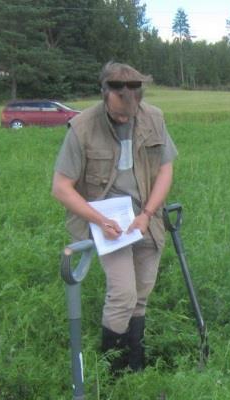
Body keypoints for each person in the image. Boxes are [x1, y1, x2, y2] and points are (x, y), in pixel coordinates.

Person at [52, 61, 177, 372]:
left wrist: (148, 213)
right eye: (119, 113)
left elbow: (165, 169)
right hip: (107, 224)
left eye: (130, 113)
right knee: (123, 294)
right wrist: (97, 219)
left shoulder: (153, 118)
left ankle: (136, 362)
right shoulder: (82, 127)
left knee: (142, 294)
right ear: (104, 94)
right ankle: (113, 369)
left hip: (146, 219)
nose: (125, 118)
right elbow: (61, 187)